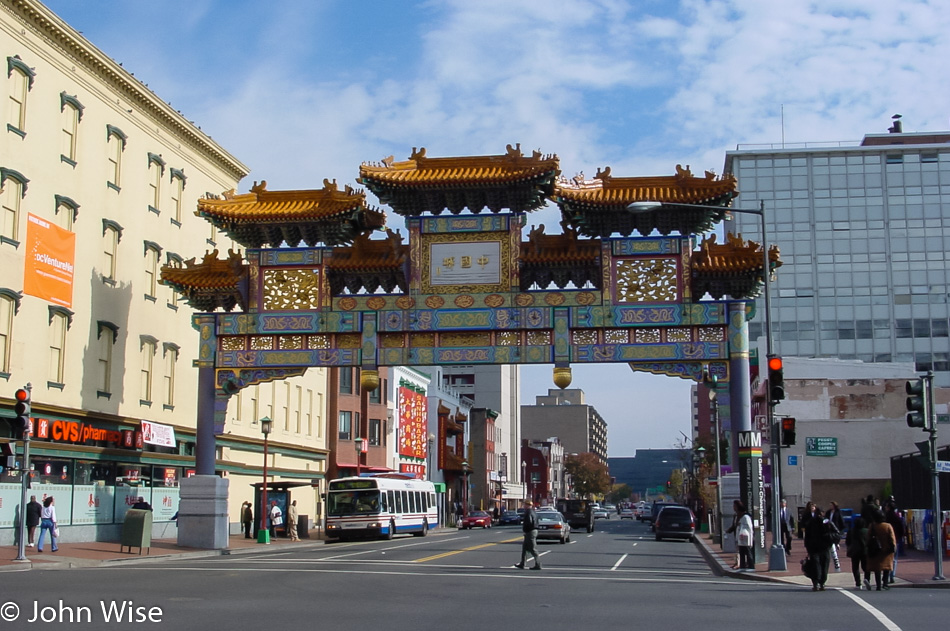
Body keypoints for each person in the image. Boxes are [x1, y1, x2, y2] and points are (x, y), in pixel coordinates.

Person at [802, 501, 831, 591]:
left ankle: (817, 583)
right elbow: (834, 533)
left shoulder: (820, 522)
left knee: (817, 565)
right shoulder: (824, 522)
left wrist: (807, 547)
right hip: (821, 547)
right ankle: (821, 583)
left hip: (816, 547)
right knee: (822, 565)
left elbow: (807, 536)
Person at [867, 509, 896, 591]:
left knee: (877, 568)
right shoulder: (887, 526)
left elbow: (868, 538)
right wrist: (893, 547)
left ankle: (878, 585)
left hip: (875, 549)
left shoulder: (872, 526)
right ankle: (885, 583)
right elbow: (892, 538)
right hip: (886, 550)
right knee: (886, 567)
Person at [514, 500, 541, 570]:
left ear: (528, 505)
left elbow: (529, 522)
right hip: (532, 531)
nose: (524, 506)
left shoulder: (528, 512)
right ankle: (522, 564)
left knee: (532, 548)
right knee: (525, 548)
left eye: (525, 505)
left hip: (530, 531)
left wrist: (526, 530)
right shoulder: (533, 512)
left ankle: (538, 564)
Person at [846, 515, 871, 590]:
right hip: (865, 551)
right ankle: (867, 579)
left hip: (854, 551)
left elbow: (848, 542)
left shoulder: (851, 531)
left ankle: (858, 583)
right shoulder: (867, 531)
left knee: (855, 567)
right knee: (866, 567)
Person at [884, 500, 904, 582]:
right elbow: (901, 528)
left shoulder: (885, 517)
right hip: (896, 539)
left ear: (888, 508)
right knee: (894, 558)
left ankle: (886, 575)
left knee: (886, 558)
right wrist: (899, 536)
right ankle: (892, 575)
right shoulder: (897, 517)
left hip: (886, 539)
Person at [733, 501, 755, 571]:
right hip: (740, 537)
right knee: (741, 552)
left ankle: (751, 566)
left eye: (735, 506)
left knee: (748, 552)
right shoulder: (738, 516)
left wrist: (751, 538)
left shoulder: (746, 516)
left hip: (746, 537)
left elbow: (750, 527)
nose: (733, 507)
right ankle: (742, 567)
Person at [825, 501, 845, 571]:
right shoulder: (828, 512)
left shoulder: (838, 512)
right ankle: (836, 545)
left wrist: (841, 530)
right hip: (829, 530)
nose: (830, 506)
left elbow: (841, 521)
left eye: (831, 505)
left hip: (836, 529)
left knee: (833, 545)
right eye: (830, 505)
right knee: (832, 547)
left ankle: (836, 544)